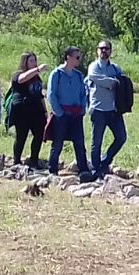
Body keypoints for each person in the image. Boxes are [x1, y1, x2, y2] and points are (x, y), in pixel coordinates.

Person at [47, 47, 90, 178]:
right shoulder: (56, 74)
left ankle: (83, 170)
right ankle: (52, 169)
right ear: (68, 57)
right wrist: (58, 112)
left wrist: (83, 108)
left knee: (79, 143)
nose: (79, 60)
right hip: (62, 114)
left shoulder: (78, 76)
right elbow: (51, 94)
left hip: (76, 114)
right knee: (58, 142)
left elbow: (84, 93)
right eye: (76, 57)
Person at [86, 40, 127, 177]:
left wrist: (112, 82)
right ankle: (95, 170)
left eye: (107, 48)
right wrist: (113, 82)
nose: (104, 51)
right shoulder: (93, 66)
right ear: (97, 50)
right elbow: (95, 78)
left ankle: (104, 163)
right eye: (101, 48)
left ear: (111, 51)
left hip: (114, 110)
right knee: (96, 142)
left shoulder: (115, 68)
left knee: (121, 137)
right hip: (98, 109)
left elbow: (122, 83)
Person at [9, 52, 49, 168]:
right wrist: (37, 69)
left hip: (36, 109)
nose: (34, 63)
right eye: (31, 61)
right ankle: (16, 161)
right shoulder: (18, 74)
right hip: (22, 110)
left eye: (35, 61)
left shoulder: (36, 78)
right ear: (25, 62)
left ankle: (34, 160)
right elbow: (21, 79)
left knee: (39, 134)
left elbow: (40, 95)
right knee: (21, 136)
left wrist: (45, 112)